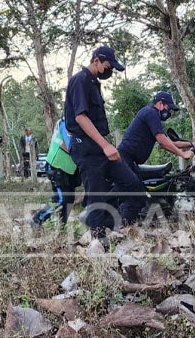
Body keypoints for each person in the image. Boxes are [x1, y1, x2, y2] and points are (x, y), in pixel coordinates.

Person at [65, 45, 133, 238]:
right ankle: (97, 237)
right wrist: (106, 145)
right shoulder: (80, 81)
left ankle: (113, 224)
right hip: (86, 146)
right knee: (95, 191)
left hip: (100, 146)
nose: (109, 70)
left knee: (130, 183)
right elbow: (81, 117)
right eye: (108, 65)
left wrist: (104, 144)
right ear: (96, 60)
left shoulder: (94, 83)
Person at [117, 91, 195, 223]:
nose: (169, 112)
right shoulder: (150, 112)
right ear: (160, 104)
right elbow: (162, 141)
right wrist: (183, 154)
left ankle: (130, 225)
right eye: (168, 108)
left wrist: (192, 144)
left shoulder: (152, 116)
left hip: (130, 160)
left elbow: (168, 141)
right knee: (134, 195)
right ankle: (124, 227)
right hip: (125, 158)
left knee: (138, 196)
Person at [32, 118, 82, 226]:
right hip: (57, 166)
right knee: (61, 199)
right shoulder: (65, 123)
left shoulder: (78, 124)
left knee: (68, 200)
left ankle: (61, 226)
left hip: (69, 169)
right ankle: (37, 219)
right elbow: (70, 146)